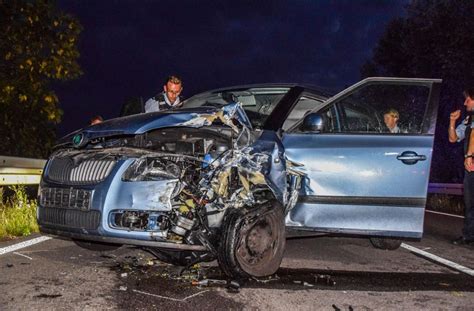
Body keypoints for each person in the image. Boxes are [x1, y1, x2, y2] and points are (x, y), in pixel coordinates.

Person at [448, 87, 474, 246]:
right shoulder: (469, 119)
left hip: (471, 161)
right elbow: (453, 138)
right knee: (470, 202)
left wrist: (470, 155)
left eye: (468, 99)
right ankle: (469, 235)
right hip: (470, 167)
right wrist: (452, 121)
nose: (465, 103)